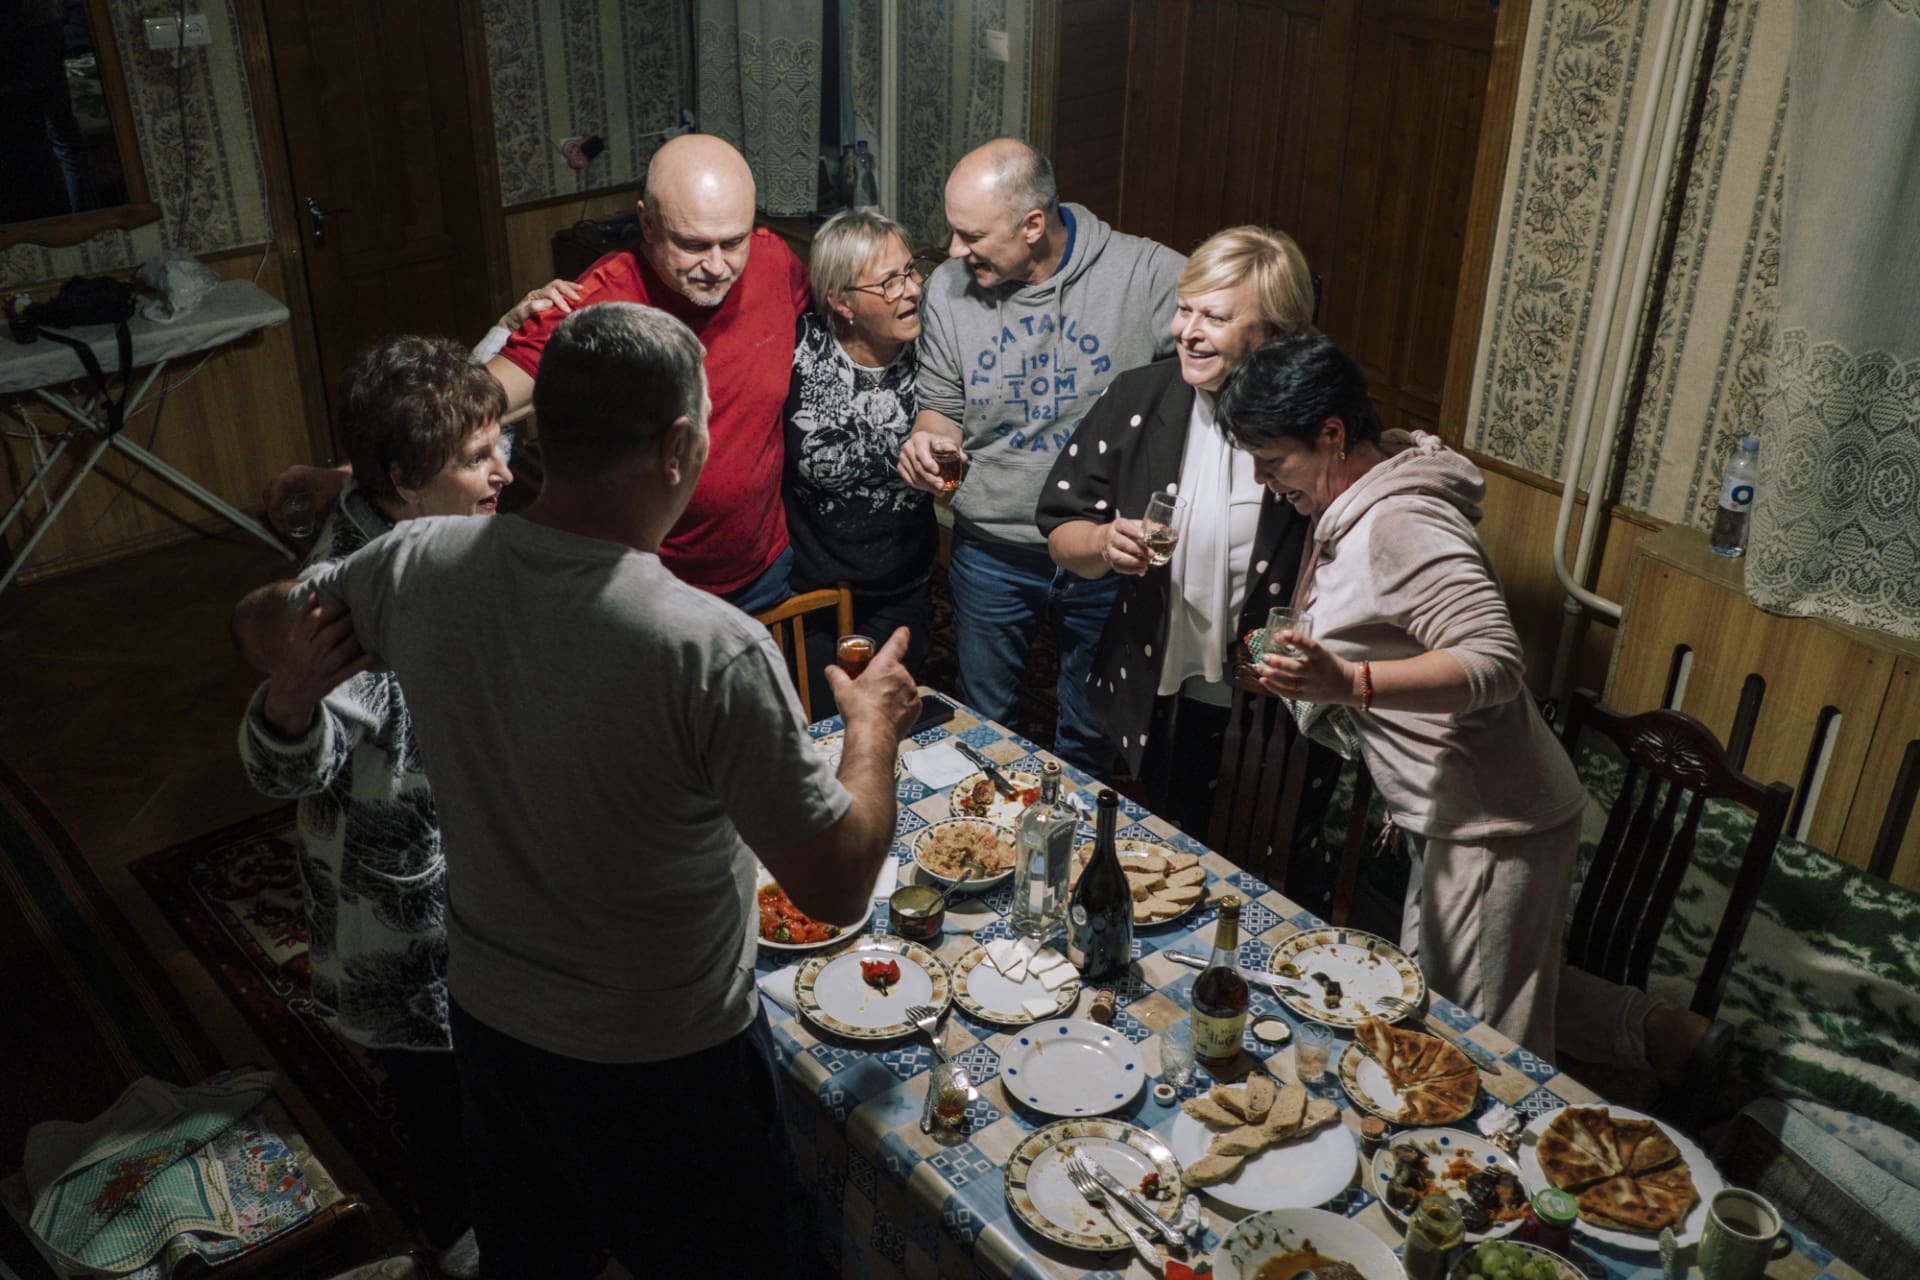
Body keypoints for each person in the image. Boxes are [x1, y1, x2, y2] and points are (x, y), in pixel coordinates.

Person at [235, 302, 918, 1278]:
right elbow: (839, 882)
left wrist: (281, 640)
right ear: (678, 443)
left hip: (489, 1027)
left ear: (540, 435)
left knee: (538, 1260)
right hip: (665, 1058)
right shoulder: (711, 646)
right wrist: (872, 730)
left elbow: (278, 613)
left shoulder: (421, 563)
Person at [1221, 332, 1728, 1098]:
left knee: (1483, 1052)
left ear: (1330, 433)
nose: (1263, 481)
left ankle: (1513, 1194)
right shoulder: (1364, 500)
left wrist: (1351, 681)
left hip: (1494, 822)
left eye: (1272, 461)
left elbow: (1494, 660)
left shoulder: (1400, 523)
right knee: (1474, 990)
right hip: (1461, 809)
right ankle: (1668, 1037)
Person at [233, 335, 511, 1278]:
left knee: (497, 1087)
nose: (504, 471)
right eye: (479, 458)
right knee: (442, 1110)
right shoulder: (347, 594)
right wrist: (285, 702)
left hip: (480, 896)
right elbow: (286, 771)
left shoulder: (449, 532)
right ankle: (458, 1243)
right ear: (403, 477)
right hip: (407, 932)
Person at [265, 133, 809, 612]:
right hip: (644, 588)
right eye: (693, 244)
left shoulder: (773, 261)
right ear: (645, 221)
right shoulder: (590, 306)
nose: (717, 266)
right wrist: (352, 474)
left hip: (767, 572)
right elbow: (464, 409)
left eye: (731, 241)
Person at [1037, 226, 1341, 847]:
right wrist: (1101, 544)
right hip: (1160, 687)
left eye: (1215, 317)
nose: (1187, 330)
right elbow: (1060, 526)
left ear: (1274, 334)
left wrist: (1299, 645)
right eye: (1184, 309)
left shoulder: (1317, 423)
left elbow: (1359, 557)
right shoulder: (1137, 399)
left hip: (1275, 709)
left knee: (1269, 851)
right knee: (1171, 840)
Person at [896, 138, 1184, 776]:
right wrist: (928, 439)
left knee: (1089, 728)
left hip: (1104, 551)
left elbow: (1253, 315)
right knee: (983, 723)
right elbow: (940, 401)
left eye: (970, 234)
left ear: (1032, 225)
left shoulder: (1144, 275)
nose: (952, 251)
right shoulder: (949, 289)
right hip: (992, 549)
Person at [783, 208, 937, 713]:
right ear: (841, 301)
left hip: (903, 581)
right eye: (889, 282)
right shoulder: (796, 348)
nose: (911, 289)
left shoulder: (938, 346)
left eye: (910, 270)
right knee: (820, 730)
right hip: (813, 589)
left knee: (889, 723)